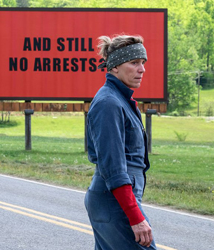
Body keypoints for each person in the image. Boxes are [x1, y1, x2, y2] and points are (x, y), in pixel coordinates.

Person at [84, 34, 156, 250]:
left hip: (114, 200)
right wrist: (135, 217)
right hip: (114, 201)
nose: (141, 69)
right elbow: (114, 168)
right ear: (114, 67)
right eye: (134, 63)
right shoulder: (109, 103)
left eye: (142, 63)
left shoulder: (120, 100)